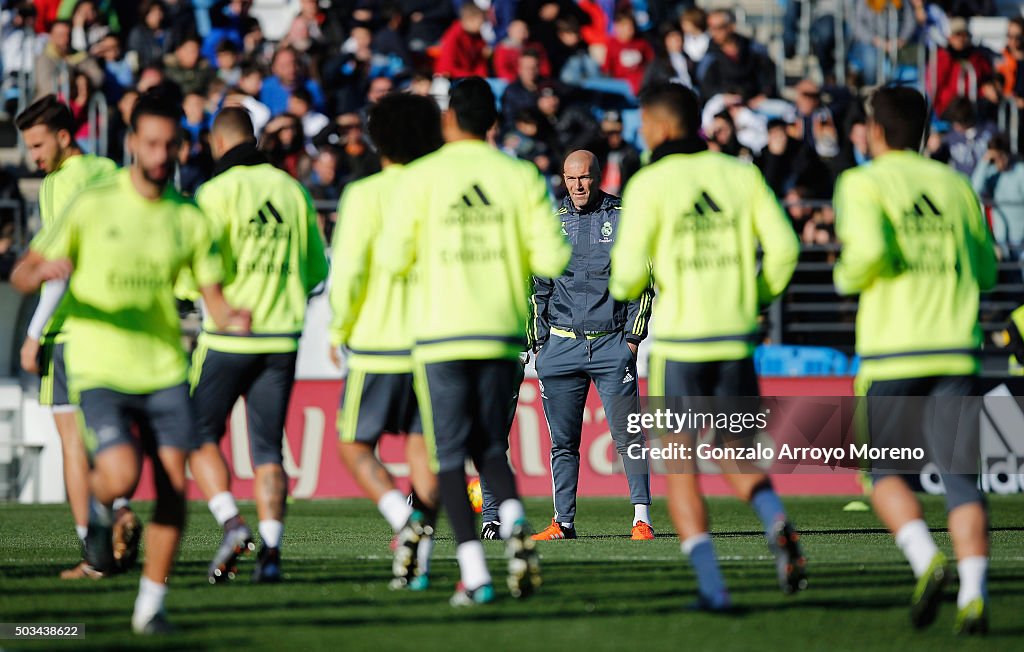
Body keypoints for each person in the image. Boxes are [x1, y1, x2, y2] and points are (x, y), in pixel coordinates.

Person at [10, 90, 250, 634]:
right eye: (151, 144)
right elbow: (26, 268)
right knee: (120, 470)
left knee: (172, 486)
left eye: (171, 145)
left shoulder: (189, 218)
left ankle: (150, 606)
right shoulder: (93, 203)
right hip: (100, 363)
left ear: (182, 147)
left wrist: (229, 314)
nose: (161, 154)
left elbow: (209, 294)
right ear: (134, 145)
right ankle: (99, 516)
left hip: (164, 366)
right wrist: (39, 275)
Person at [609, 83, 806, 610]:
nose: (641, 132)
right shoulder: (740, 175)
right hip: (735, 338)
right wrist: (755, 297)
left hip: (679, 343)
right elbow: (786, 248)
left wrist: (637, 277)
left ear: (661, 125)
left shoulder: (650, 183)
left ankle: (713, 588)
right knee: (733, 455)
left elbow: (626, 280)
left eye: (644, 122)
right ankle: (776, 521)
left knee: (680, 468)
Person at [381, 77, 571, 606]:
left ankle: (475, 574)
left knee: (447, 458)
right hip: (500, 333)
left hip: (440, 334)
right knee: (489, 447)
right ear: (493, 122)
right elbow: (554, 258)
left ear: (449, 119)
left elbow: (394, 259)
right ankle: (513, 523)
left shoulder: (420, 177)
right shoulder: (520, 176)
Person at [833, 85, 997, 635]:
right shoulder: (955, 185)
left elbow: (869, 254)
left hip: (894, 349)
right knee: (961, 478)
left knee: (882, 473)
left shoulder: (862, 182)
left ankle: (927, 558)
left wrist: (844, 276)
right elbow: (989, 270)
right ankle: (975, 592)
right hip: (955, 346)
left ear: (876, 130)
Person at [181, 106, 329, 584]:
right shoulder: (292, 190)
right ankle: (270, 552)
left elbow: (195, 271)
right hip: (281, 338)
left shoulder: (214, 193)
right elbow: (315, 273)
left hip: (228, 337)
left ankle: (231, 522)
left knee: (196, 435)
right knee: (268, 451)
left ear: (216, 142)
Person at [13, 95, 139, 580]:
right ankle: (122, 508)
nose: (34, 158)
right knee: (104, 431)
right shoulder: (108, 170)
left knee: (71, 440)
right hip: (119, 323)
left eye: (39, 145)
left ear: (65, 137)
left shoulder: (59, 184)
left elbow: (59, 269)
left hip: (69, 328)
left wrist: (34, 332)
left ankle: (95, 552)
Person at [329, 92, 444, 590]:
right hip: (436, 342)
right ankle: (421, 558)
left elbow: (349, 270)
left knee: (353, 445)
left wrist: (339, 328)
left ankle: (405, 524)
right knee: (425, 454)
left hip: (379, 341)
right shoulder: (441, 191)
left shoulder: (365, 194)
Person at [529, 149, 654, 541]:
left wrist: (632, 340)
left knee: (628, 436)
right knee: (562, 443)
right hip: (561, 348)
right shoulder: (550, 223)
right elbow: (536, 287)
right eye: (570, 178)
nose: (577, 186)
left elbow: (643, 283)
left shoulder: (625, 218)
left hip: (611, 345)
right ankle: (562, 523)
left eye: (584, 177)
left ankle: (642, 519)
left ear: (598, 176)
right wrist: (539, 343)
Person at [972, 133, 1024, 256]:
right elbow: (974, 189)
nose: (998, 161)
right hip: (1001, 240)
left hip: (1021, 240)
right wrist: (984, 161)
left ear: (1008, 154)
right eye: (994, 158)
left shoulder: (1021, 171)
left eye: (1001, 156)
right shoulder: (991, 174)